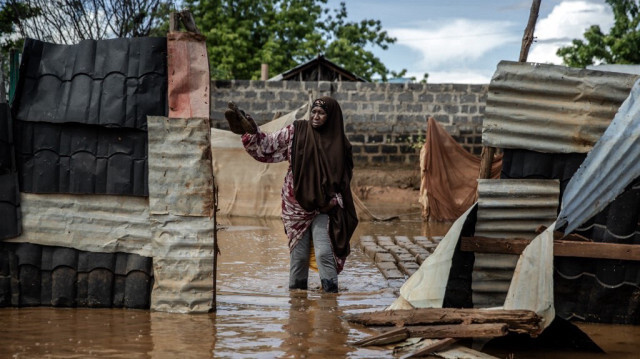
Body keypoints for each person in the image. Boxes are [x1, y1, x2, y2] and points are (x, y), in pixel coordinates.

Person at [225, 96, 358, 292]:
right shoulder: (297, 131)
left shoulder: (341, 145)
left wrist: (332, 202)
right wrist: (252, 131)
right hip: (296, 205)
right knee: (299, 256)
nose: (315, 116)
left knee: (324, 253)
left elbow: (344, 181)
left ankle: (330, 299)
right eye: (313, 112)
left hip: (326, 207)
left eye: (321, 113)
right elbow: (268, 145)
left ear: (332, 117)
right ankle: (297, 301)